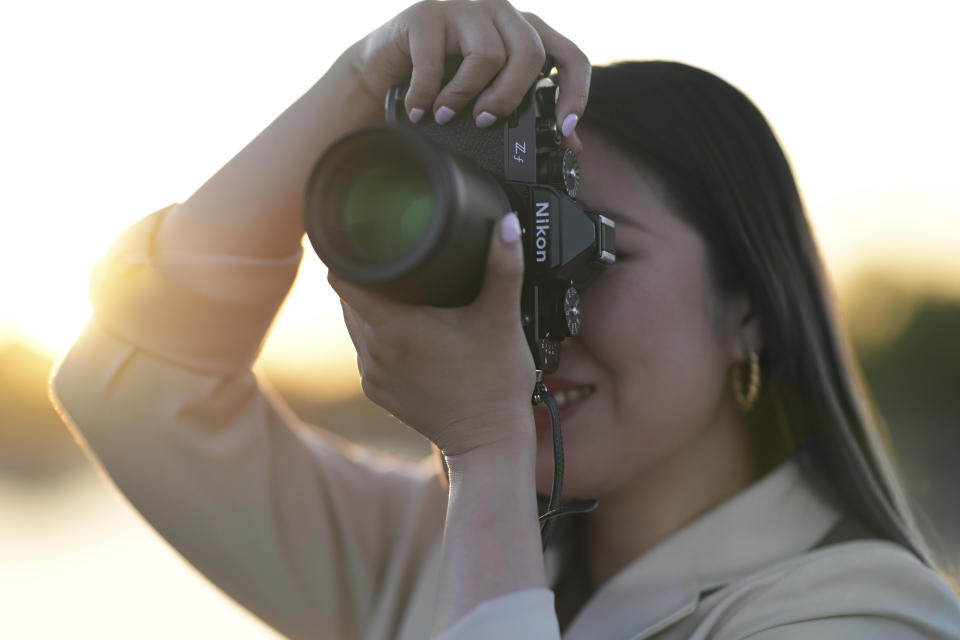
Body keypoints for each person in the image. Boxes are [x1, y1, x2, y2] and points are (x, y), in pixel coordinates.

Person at [50, 1, 960, 638]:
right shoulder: (428, 549)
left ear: (749, 308)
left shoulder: (864, 613)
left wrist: (488, 452)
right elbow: (138, 380)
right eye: (504, 240)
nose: (519, 303)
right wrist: (361, 82)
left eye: (585, 243)